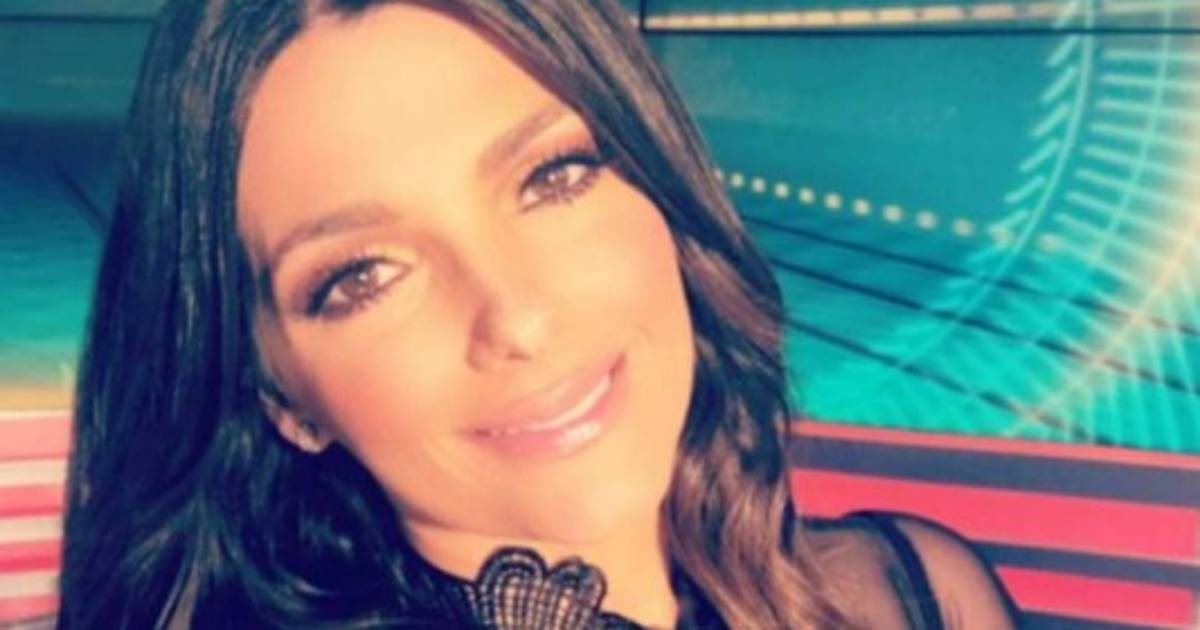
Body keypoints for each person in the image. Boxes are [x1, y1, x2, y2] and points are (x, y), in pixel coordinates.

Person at [56, 1, 1021, 628]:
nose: (516, 319)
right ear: (281, 396)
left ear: (657, 180)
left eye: (552, 177)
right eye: (364, 276)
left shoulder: (917, 590)